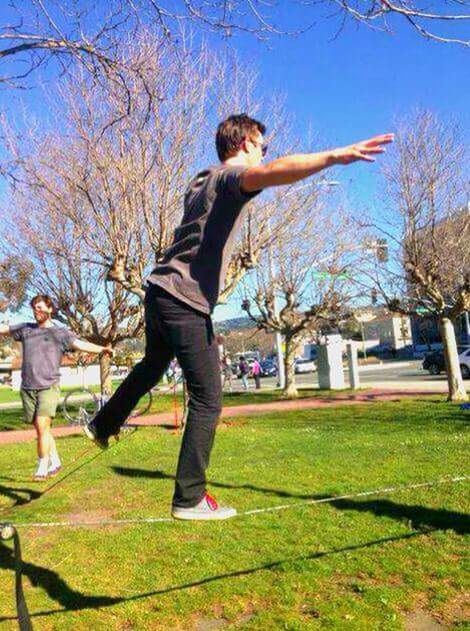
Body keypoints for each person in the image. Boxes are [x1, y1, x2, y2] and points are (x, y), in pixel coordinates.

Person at [83, 113, 393, 520]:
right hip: (184, 300)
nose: (266, 153)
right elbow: (270, 174)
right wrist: (333, 156)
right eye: (263, 146)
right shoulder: (229, 179)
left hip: (159, 292)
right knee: (209, 399)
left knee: (153, 364)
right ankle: (189, 499)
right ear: (246, 143)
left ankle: (103, 424)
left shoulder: (200, 180)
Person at [0, 295, 112, 480]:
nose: (37, 311)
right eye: (35, 308)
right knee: (40, 429)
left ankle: (42, 465)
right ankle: (55, 460)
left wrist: (102, 349)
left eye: (41, 307)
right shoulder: (26, 329)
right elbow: (4, 329)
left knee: (43, 426)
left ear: (50, 309)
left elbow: (79, 344)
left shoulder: (60, 333)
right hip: (28, 387)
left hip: (49, 386)